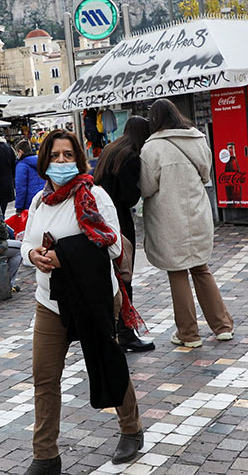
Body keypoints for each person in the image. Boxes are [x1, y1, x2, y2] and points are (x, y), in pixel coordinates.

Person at [21, 129, 143, 473]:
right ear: (45, 161)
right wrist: (33, 254)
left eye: (68, 155)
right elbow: (27, 241)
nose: (61, 162)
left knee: (106, 359)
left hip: (93, 296)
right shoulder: (39, 201)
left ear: (78, 158)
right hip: (50, 299)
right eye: (55, 155)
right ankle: (45, 455)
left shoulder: (94, 196)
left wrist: (64, 255)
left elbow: (114, 245)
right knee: (44, 377)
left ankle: (131, 429)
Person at [140, 99, 234, 347]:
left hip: (169, 217)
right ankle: (222, 326)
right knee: (201, 267)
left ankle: (189, 334)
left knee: (177, 272)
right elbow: (206, 174)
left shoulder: (152, 148)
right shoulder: (198, 139)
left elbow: (147, 187)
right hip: (197, 213)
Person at [92, 116, 155, 353]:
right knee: (124, 275)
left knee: (111, 276)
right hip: (118, 220)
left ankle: (112, 330)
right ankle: (126, 332)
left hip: (102, 218)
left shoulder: (111, 149)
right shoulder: (131, 156)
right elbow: (129, 196)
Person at [14, 139, 46, 214]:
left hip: (29, 202)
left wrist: (19, 207)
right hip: (43, 197)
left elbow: (21, 188)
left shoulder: (22, 165)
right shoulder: (40, 161)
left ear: (20, 151)